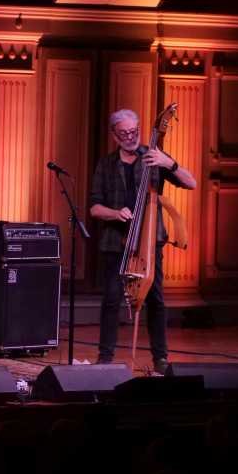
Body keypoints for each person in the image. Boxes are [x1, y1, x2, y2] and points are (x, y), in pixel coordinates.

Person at [89, 108, 197, 373]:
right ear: (114, 135)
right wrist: (115, 213)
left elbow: (191, 183)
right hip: (116, 242)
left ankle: (161, 358)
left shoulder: (154, 157)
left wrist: (168, 163)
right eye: (124, 133)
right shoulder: (106, 164)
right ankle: (105, 358)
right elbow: (94, 208)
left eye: (134, 132)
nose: (130, 137)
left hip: (149, 241)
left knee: (155, 299)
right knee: (112, 299)